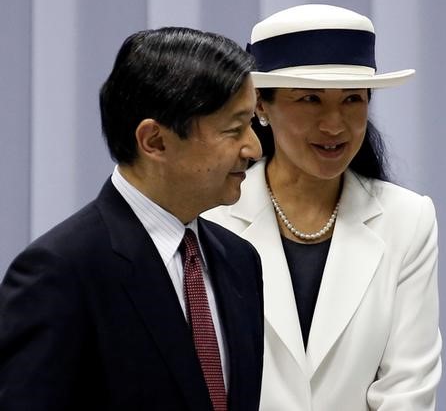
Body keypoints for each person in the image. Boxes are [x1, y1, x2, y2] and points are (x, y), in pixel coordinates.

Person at [0, 27, 264, 411]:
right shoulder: (59, 272)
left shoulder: (240, 261)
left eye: (252, 125)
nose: (253, 148)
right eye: (233, 129)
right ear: (154, 141)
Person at [204, 4, 442, 410]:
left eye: (352, 99)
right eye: (310, 99)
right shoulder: (211, 219)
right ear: (261, 105)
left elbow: (408, 390)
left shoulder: (408, 220)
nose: (334, 124)